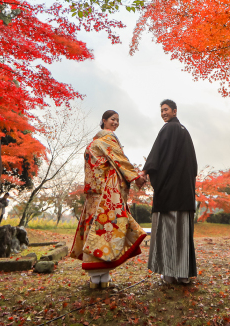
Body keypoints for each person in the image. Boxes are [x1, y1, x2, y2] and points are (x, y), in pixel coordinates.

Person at [70, 110, 148, 289]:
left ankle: (95, 279)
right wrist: (136, 178)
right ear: (104, 120)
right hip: (106, 193)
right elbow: (120, 160)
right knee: (106, 232)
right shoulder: (108, 139)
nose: (116, 123)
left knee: (93, 231)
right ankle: (103, 277)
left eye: (118, 120)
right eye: (113, 119)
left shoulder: (93, 143)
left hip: (94, 194)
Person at [141, 99, 198, 285]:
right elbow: (193, 166)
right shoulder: (185, 132)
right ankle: (183, 275)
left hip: (169, 195)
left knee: (168, 235)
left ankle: (169, 275)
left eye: (166, 110)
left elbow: (156, 156)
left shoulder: (167, 129)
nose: (163, 113)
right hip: (185, 194)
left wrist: (145, 171)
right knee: (183, 236)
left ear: (175, 111)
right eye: (162, 111)